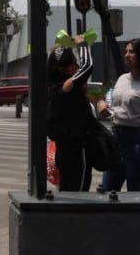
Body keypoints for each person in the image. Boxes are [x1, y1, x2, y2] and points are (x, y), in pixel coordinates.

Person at [97, 38, 140, 192]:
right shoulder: (122, 79)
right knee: (107, 190)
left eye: (132, 52)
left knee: (134, 191)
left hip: (139, 142)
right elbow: (120, 110)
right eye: (126, 52)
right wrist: (105, 109)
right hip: (117, 137)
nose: (127, 55)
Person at [47, 37, 96, 191]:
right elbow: (87, 66)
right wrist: (82, 44)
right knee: (79, 192)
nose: (77, 66)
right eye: (74, 63)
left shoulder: (52, 87)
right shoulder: (66, 87)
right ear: (62, 69)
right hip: (76, 148)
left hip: (64, 149)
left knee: (67, 190)